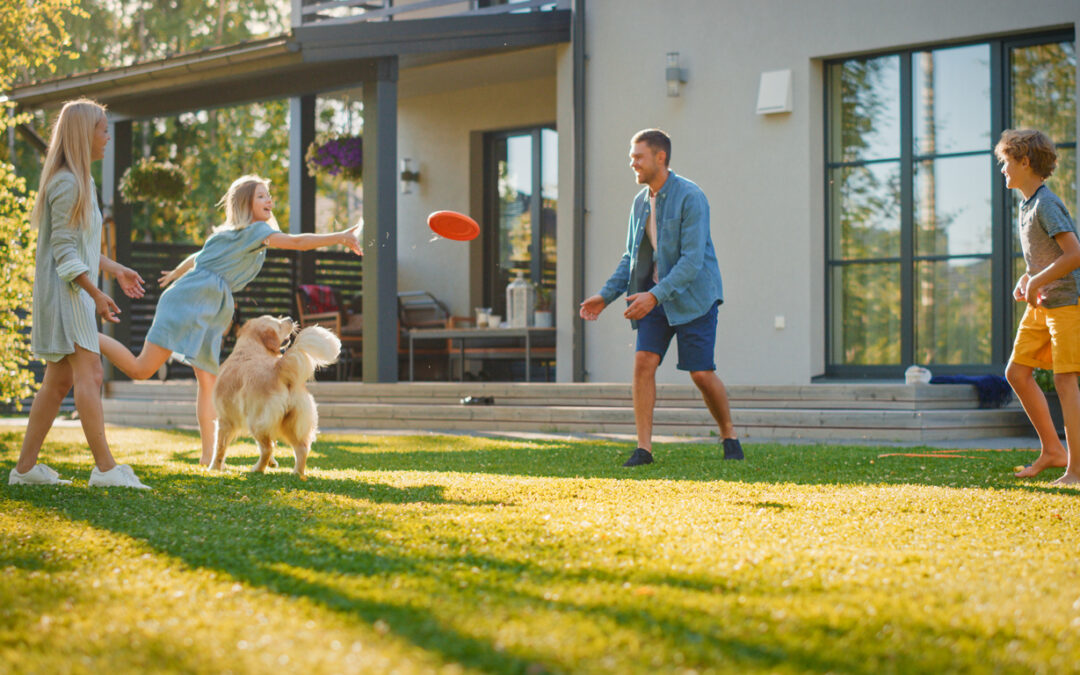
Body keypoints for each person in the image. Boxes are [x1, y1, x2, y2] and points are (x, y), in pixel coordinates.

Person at [98, 175, 362, 466]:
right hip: (190, 304)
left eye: (268, 195)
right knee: (141, 369)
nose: (269, 200)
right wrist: (339, 236)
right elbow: (297, 242)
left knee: (208, 383)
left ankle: (209, 457)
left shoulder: (231, 235)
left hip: (204, 308)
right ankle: (91, 337)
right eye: (261, 196)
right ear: (245, 202)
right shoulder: (254, 231)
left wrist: (176, 272)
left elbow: (198, 257)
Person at [10, 99, 151, 489]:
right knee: (89, 373)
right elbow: (65, 253)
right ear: (82, 134)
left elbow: (83, 248)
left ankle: (24, 470)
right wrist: (96, 294)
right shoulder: (67, 183)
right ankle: (105, 469)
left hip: (74, 292)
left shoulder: (83, 182)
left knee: (57, 382)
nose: (108, 136)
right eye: (103, 129)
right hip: (66, 294)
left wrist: (115, 269)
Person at [580, 129, 742, 467]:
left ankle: (729, 433)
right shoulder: (640, 204)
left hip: (694, 295)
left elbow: (692, 260)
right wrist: (604, 296)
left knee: (700, 373)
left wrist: (654, 296)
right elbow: (631, 258)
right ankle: (644, 449)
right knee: (643, 363)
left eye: (637, 157)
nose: (632, 163)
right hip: (653, 296)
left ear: (660, 157)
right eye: (631, 157)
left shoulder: (691, 197)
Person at [998, 129, 1080, 486]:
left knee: (1065, 381)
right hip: (1041, 304)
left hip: (1065, 305)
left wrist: (1037, 280)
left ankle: (1076, 470)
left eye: (1006, 162)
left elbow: (1074, 254)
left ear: (1025, 162)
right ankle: (1052, 450)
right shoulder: (1026, 204)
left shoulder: (1046, 203)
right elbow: (1045, 257)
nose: (1003, 169)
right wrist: (1027, 278)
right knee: (1016, 373)